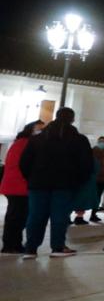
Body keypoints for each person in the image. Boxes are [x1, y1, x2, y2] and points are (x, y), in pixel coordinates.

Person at [21, 107, 94, 259]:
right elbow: (87, 165)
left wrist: (32, 178)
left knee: (35, 216)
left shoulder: (38, 139)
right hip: (65, 185)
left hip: (38, 184)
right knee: (60, 216)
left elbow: (25, 162)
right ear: (72, 119)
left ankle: (30, 249)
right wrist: (78, 181)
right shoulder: (79, 139)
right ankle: (57, 247)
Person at [2, 121, 43, 254]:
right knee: (17, 217)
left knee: (17, 216)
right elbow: (27, 165)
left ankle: (14, 244)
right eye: (39, 129)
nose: (41, 132)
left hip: (15, 185)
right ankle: (10, 245)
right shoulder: (27, 143)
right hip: (19, 185)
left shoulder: (19, 142)